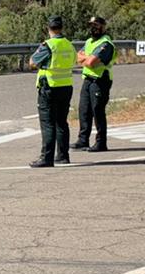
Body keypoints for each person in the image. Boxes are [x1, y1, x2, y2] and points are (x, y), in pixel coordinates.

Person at [30, 15, 75, 168]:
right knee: (61, 122)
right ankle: (63, 155)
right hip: (66, 86)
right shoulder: (69, 44)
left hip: (49, 86)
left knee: (48, 123)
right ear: (61, 28)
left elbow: (32, 62)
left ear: (48, 28)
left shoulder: (48, 45)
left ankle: (46, 157)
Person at [72, 15, 115, 153]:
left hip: (100, 80)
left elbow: (90, 62)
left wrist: (87, 59)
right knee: (84, 110)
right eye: (91, 25)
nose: (93, 28)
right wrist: (87, 59)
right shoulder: (90, 41)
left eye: (96, 25)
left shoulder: (106, 43)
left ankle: (101, 142)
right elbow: (78, 57)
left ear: (103, 27)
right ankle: (83, 140)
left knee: (98, 111)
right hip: (88, 79)